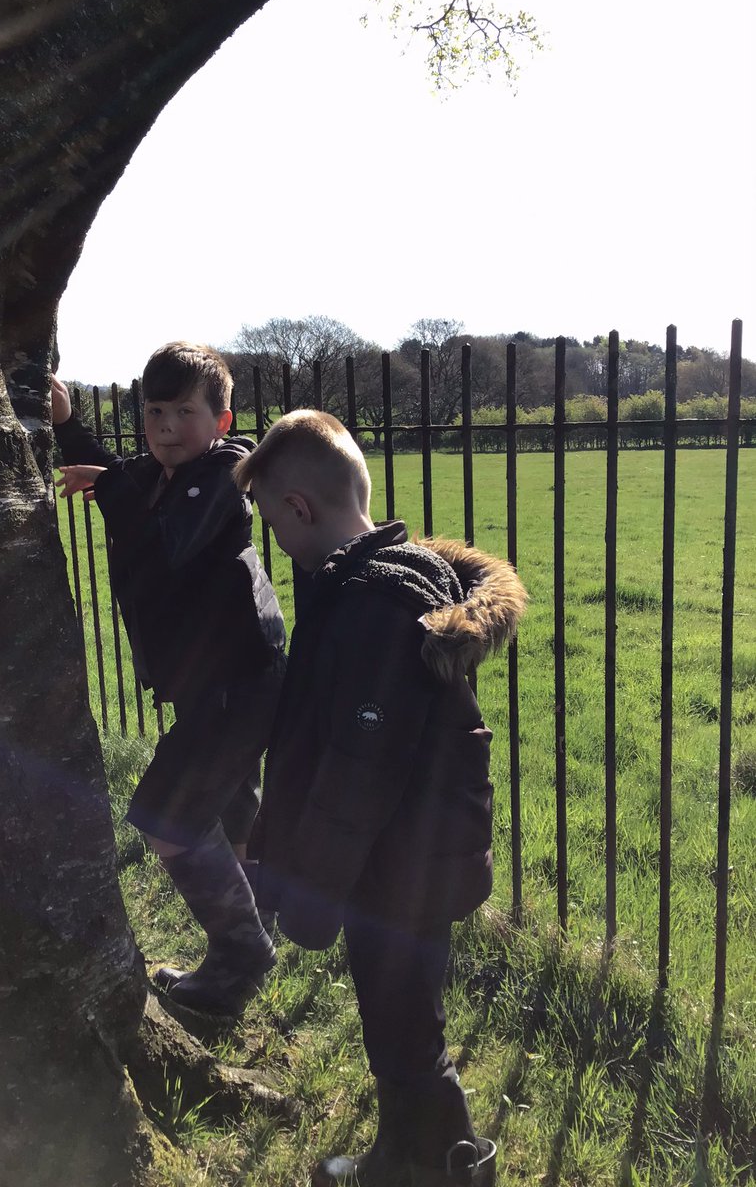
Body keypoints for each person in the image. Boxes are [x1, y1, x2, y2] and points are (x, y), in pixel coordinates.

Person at [233, 410, 527, 1187]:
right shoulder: (379, 584)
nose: (275, 541)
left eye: (272, 523)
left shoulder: (371, 608)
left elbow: (357, 772)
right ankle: (418, 1155)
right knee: (399, 1015)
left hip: (395, 860)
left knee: (401, 1024)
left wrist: (311, 893)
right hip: (409, 851)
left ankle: (444, 1162)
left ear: (298, 508)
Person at [51, 342, 286, 1018]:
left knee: (167, 814)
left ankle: (242, 953)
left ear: (221, 419)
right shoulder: (158, 473)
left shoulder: (222, 472)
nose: (166, 426)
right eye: (155, 411)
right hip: (216, 681)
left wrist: (110, 486)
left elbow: (167, 542)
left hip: (239, 683)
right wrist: (68, 423)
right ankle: (252, 931)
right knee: (231, 807)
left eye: (185, 411)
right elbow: (116, 482)